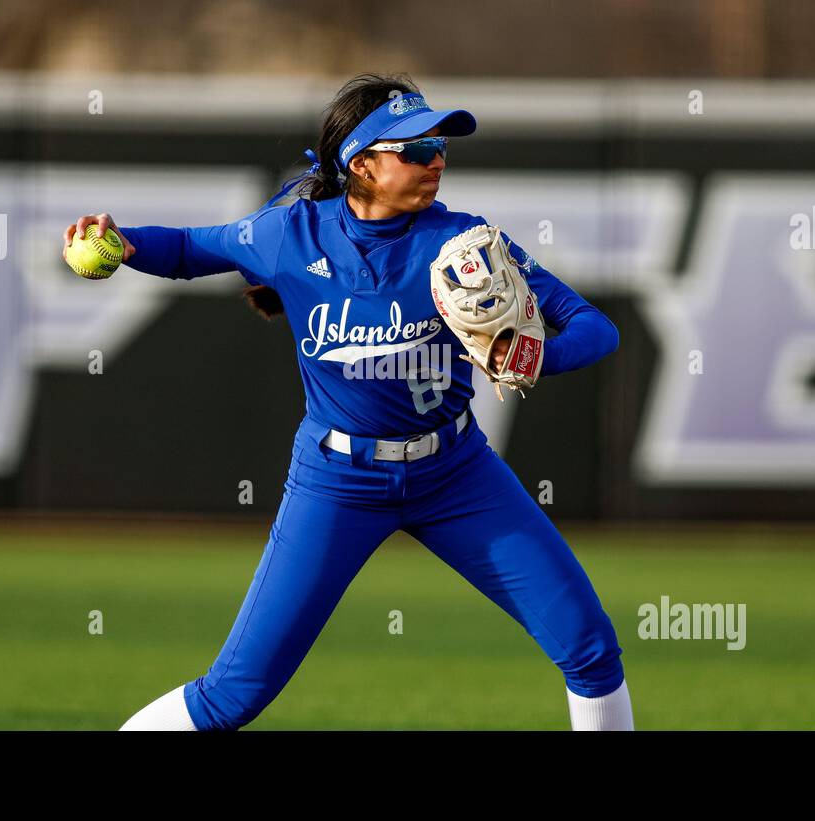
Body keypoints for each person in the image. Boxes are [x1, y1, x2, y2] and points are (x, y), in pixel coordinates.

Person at [64, 73, 631, 731]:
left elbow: (595, 325)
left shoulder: (466, 246)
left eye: (440, 146)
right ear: (361, 164)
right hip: (339, 480)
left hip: (456, 474)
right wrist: (123, 243)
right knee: (233, 695)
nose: (437, 160)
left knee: (590, 646)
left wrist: (542, 355)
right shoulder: (291, 238)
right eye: (415, 150)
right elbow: (193, 248)